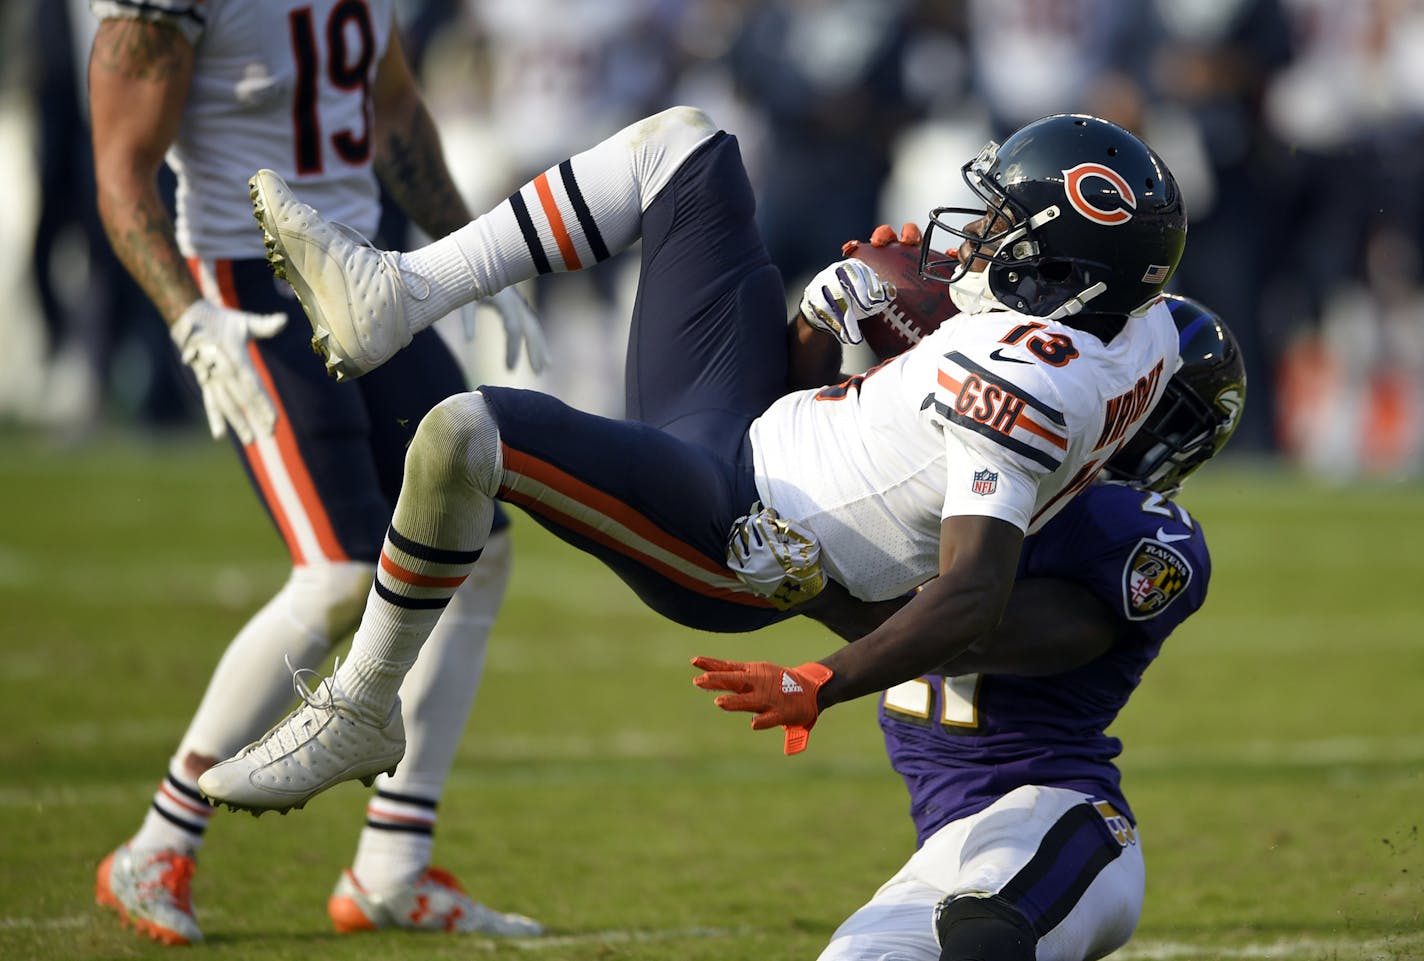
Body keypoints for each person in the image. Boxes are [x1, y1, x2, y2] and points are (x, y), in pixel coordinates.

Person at [194, 105, 1187, 813]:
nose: (972, 241)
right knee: (683, 148)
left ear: (1057, 275)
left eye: (1004, 233)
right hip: (754, 418)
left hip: (735, 532)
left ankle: (361, 704)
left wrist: (821, 677)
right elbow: (932, 425)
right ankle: (398, 291)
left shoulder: (1026, 386)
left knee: (464, 433)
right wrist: (839, 324)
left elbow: (970, 590)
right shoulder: (1137, 327)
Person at [86, 0, 545, 945]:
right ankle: (158, 841)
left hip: (365, 271)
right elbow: (121, 166)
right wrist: (185, 315)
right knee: (338, 572)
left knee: (479, 541)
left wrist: (476, 258)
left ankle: (392, 863)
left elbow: (397, 113)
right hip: (245, 283)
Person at [784, 292, 1247, 961]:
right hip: (942, 846)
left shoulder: (1137, 532)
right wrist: (818, 321)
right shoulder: (956, 470)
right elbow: (806, 456)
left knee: (986, 928)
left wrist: (811, 588)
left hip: (1064, 816)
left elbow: (972, 630)